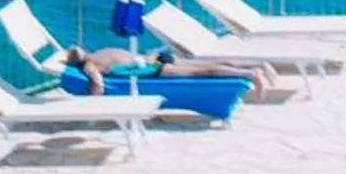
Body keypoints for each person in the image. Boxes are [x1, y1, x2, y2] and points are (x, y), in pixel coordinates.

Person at [60, 44, 276, 105]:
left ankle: (250, 75)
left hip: (152, 68)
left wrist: (91, 100)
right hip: (155, 57)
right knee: (207, 64)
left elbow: (98, 85)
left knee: (205, 72)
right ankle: (257, 66)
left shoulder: (89, 65)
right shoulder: (104, 50)